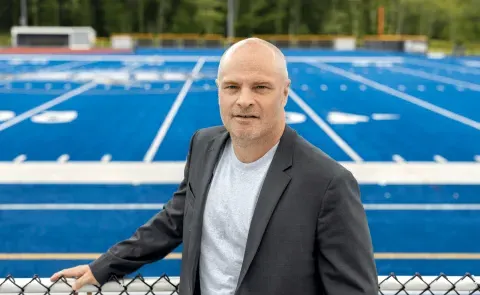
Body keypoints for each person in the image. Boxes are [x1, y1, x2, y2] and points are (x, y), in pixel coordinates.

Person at [50, 38, 378, 295]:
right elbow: (175, 219)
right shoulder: (204, 145)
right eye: (232, 87)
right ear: (218, 91)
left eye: (260, 87)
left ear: (285, 93)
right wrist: (104, 266)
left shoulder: (328, 183)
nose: (244, 100)